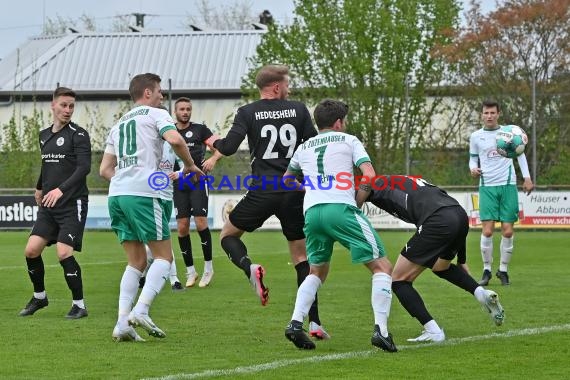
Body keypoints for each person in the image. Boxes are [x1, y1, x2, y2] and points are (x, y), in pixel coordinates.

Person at [212, 64, 328, 339]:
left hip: (263, 189)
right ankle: (313, 323)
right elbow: (313, 146)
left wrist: (211, 139)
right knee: (302, 258)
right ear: (277, 86)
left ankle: (248, 267)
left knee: (228, 234)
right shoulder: (299, 109)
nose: (289, 88)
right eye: (287, 83)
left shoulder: (247, 112)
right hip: (293, 190)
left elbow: (228, 148)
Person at [282, 99, 397, 352]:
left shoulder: (304, 147)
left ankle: (294, 323)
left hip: (312, 213)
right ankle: (382, 331)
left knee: (317, 272)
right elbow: (369, 175)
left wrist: (310, 189)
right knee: (383, 267)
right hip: (340, 209)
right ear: (338, 123)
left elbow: (287, 179)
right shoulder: (349, 140)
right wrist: (356, 200)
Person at [99, 73, 203, 342]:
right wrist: (191, 166)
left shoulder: (118, 124)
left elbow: (104, 169)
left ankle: (122, 323)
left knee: (136, 262)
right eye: (158, 92)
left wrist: (127, 180)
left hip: (118, 195)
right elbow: (176, 140)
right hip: (146, 195)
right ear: (147, 93)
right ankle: (142, 309)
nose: (161, 97)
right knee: (164, 258)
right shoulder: (157, 114)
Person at [368, 175, 506, 343]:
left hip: (437, 220)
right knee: (440, 267)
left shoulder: (371, 184)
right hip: (459, 215)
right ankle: (481, 294)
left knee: (398, 280)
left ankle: (433, 331)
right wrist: (461, 260)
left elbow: (358, 196)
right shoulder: (406, 180)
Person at [19, 86, 91, 319]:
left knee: (63, 252)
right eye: (64, 105)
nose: (68, 110)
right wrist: (40, 187)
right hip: (49, 205)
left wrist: (60, 190)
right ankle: (40, 297)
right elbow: (47, 165)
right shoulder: (43, 135)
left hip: (72, 204)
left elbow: (84, 168)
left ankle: (79, 305)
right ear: (53, 104)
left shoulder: (78, 135)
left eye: (71, 106)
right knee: (31, 250)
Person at [469, 100, 534, 286]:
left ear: (498, 114)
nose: (489, 116)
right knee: (487, 231)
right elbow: (473, 160)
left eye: (492, 113)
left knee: (507, 231)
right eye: (486, 113)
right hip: (487, 186)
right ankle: (487, 270)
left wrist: (527, 178)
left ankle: (503, 270)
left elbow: (520, 154)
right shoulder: (476, 136)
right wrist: (473, 169)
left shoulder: (509, 133)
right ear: (482, 115)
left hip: (508, 185)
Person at [172, 97, 223, 288]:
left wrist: (213, 159)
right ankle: (191, 271)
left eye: (188, 109)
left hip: (198, 181)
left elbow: (221, 147)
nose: (185, 112)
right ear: (175, 111)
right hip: (179, 183)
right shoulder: (169, 132)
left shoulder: (200, 130)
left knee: (201, 222)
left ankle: (208, 268)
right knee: (182, 227)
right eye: (182, 109)